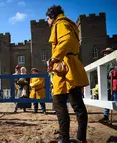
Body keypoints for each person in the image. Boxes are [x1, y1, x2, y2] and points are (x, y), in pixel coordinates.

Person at [46, 5, 89, 143]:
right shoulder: (69, 24)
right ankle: (77, 137)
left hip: (64, 66)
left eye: (48, 18)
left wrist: (54, 58)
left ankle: (67, 138)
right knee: (71, 103)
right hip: (68, 66)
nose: (47, 21)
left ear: (52, 16)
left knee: (63, 103)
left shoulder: (60, 23)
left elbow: (67, 40)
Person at [99, 48, 117, 122]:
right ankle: (106, 116)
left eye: (107, 53)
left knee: (115, 100)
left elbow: (114, 70)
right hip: (106, 85)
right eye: (105, 53)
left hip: (113, 84)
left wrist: (114, 71)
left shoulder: (114, 61)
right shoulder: (103, 63)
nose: (105, 54)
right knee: (106, 100)